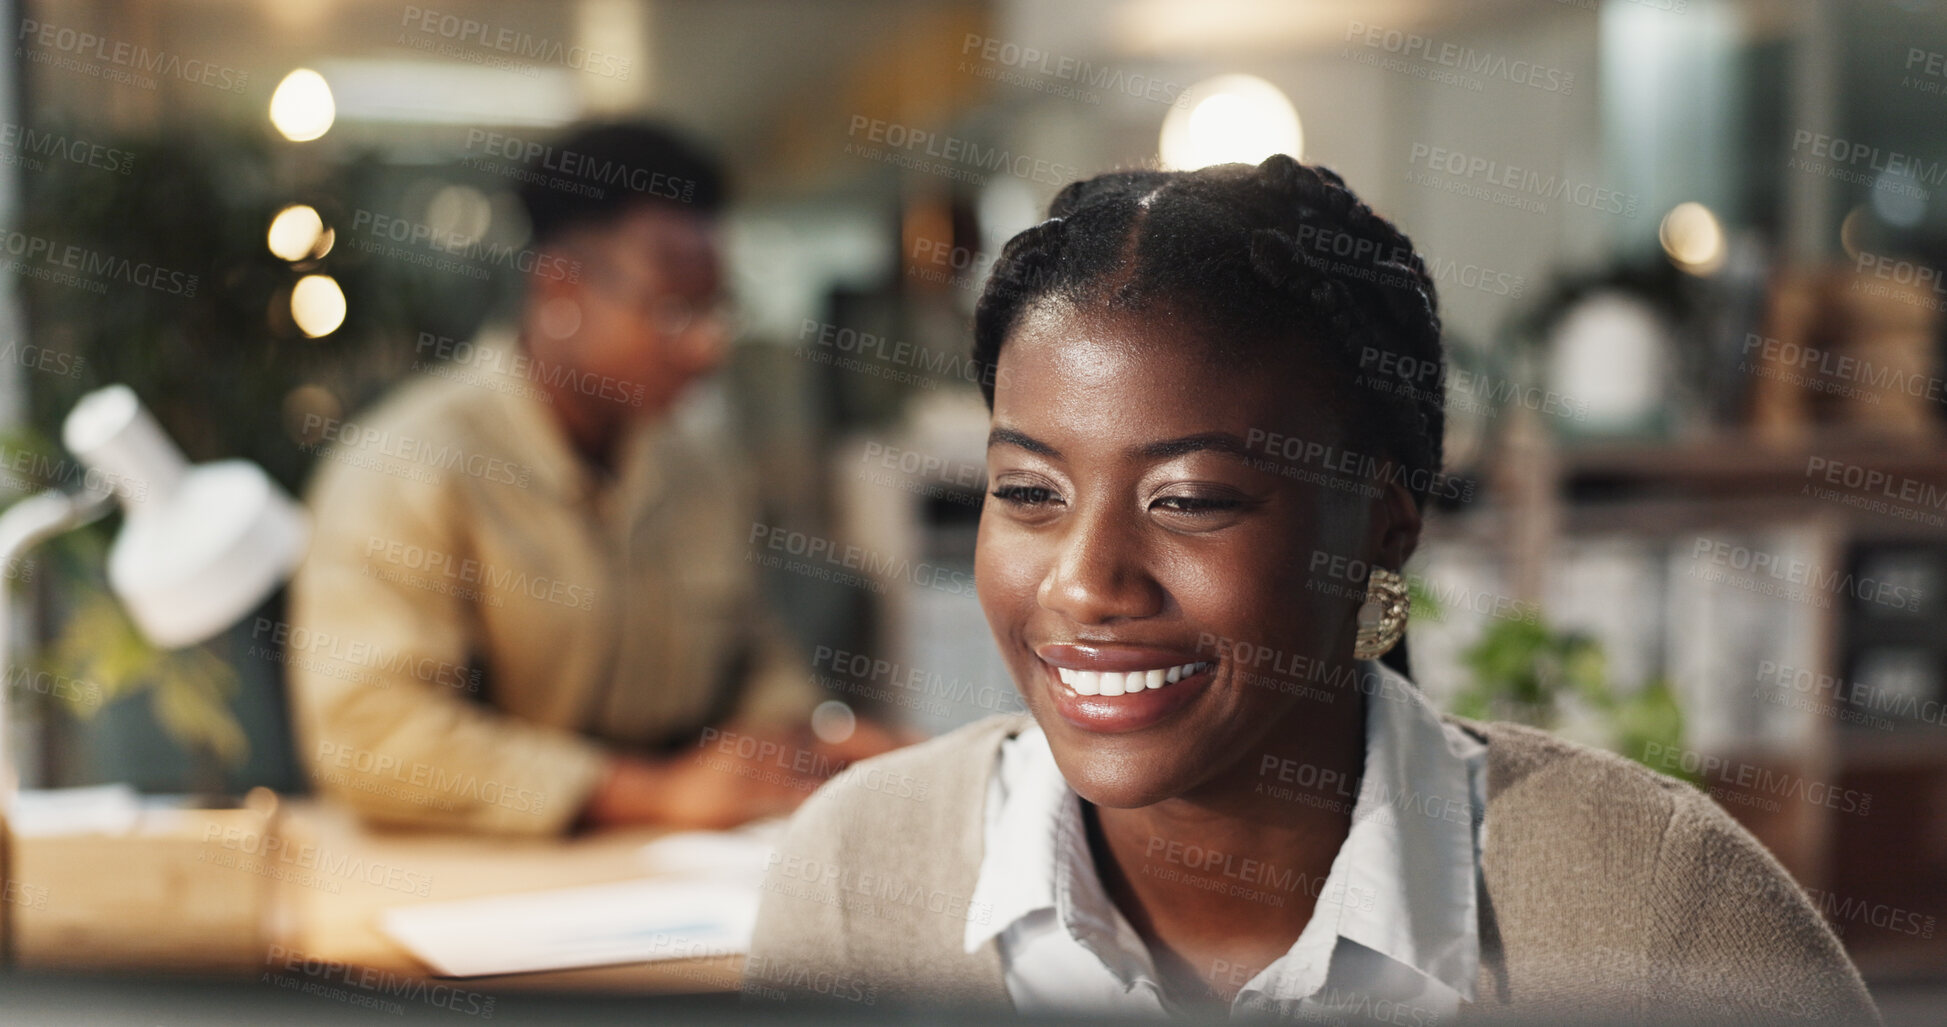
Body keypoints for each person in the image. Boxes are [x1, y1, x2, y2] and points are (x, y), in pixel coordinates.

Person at [744, 156, 1881, 1023]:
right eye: (1029, 492)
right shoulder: (859, 879)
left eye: (1189, 500)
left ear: (1384, 528)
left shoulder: (1656, 917)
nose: (1086, 582)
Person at [288, 121, 891, 835]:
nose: (707, 346)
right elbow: (369, 734)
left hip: (675, 879)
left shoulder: (700, 465)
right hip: (463, 892)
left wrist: (809, 738)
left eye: (716, 307)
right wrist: (646, 793)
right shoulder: (406, 467)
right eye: (674, 307)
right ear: (561, 287)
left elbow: (752, 657)